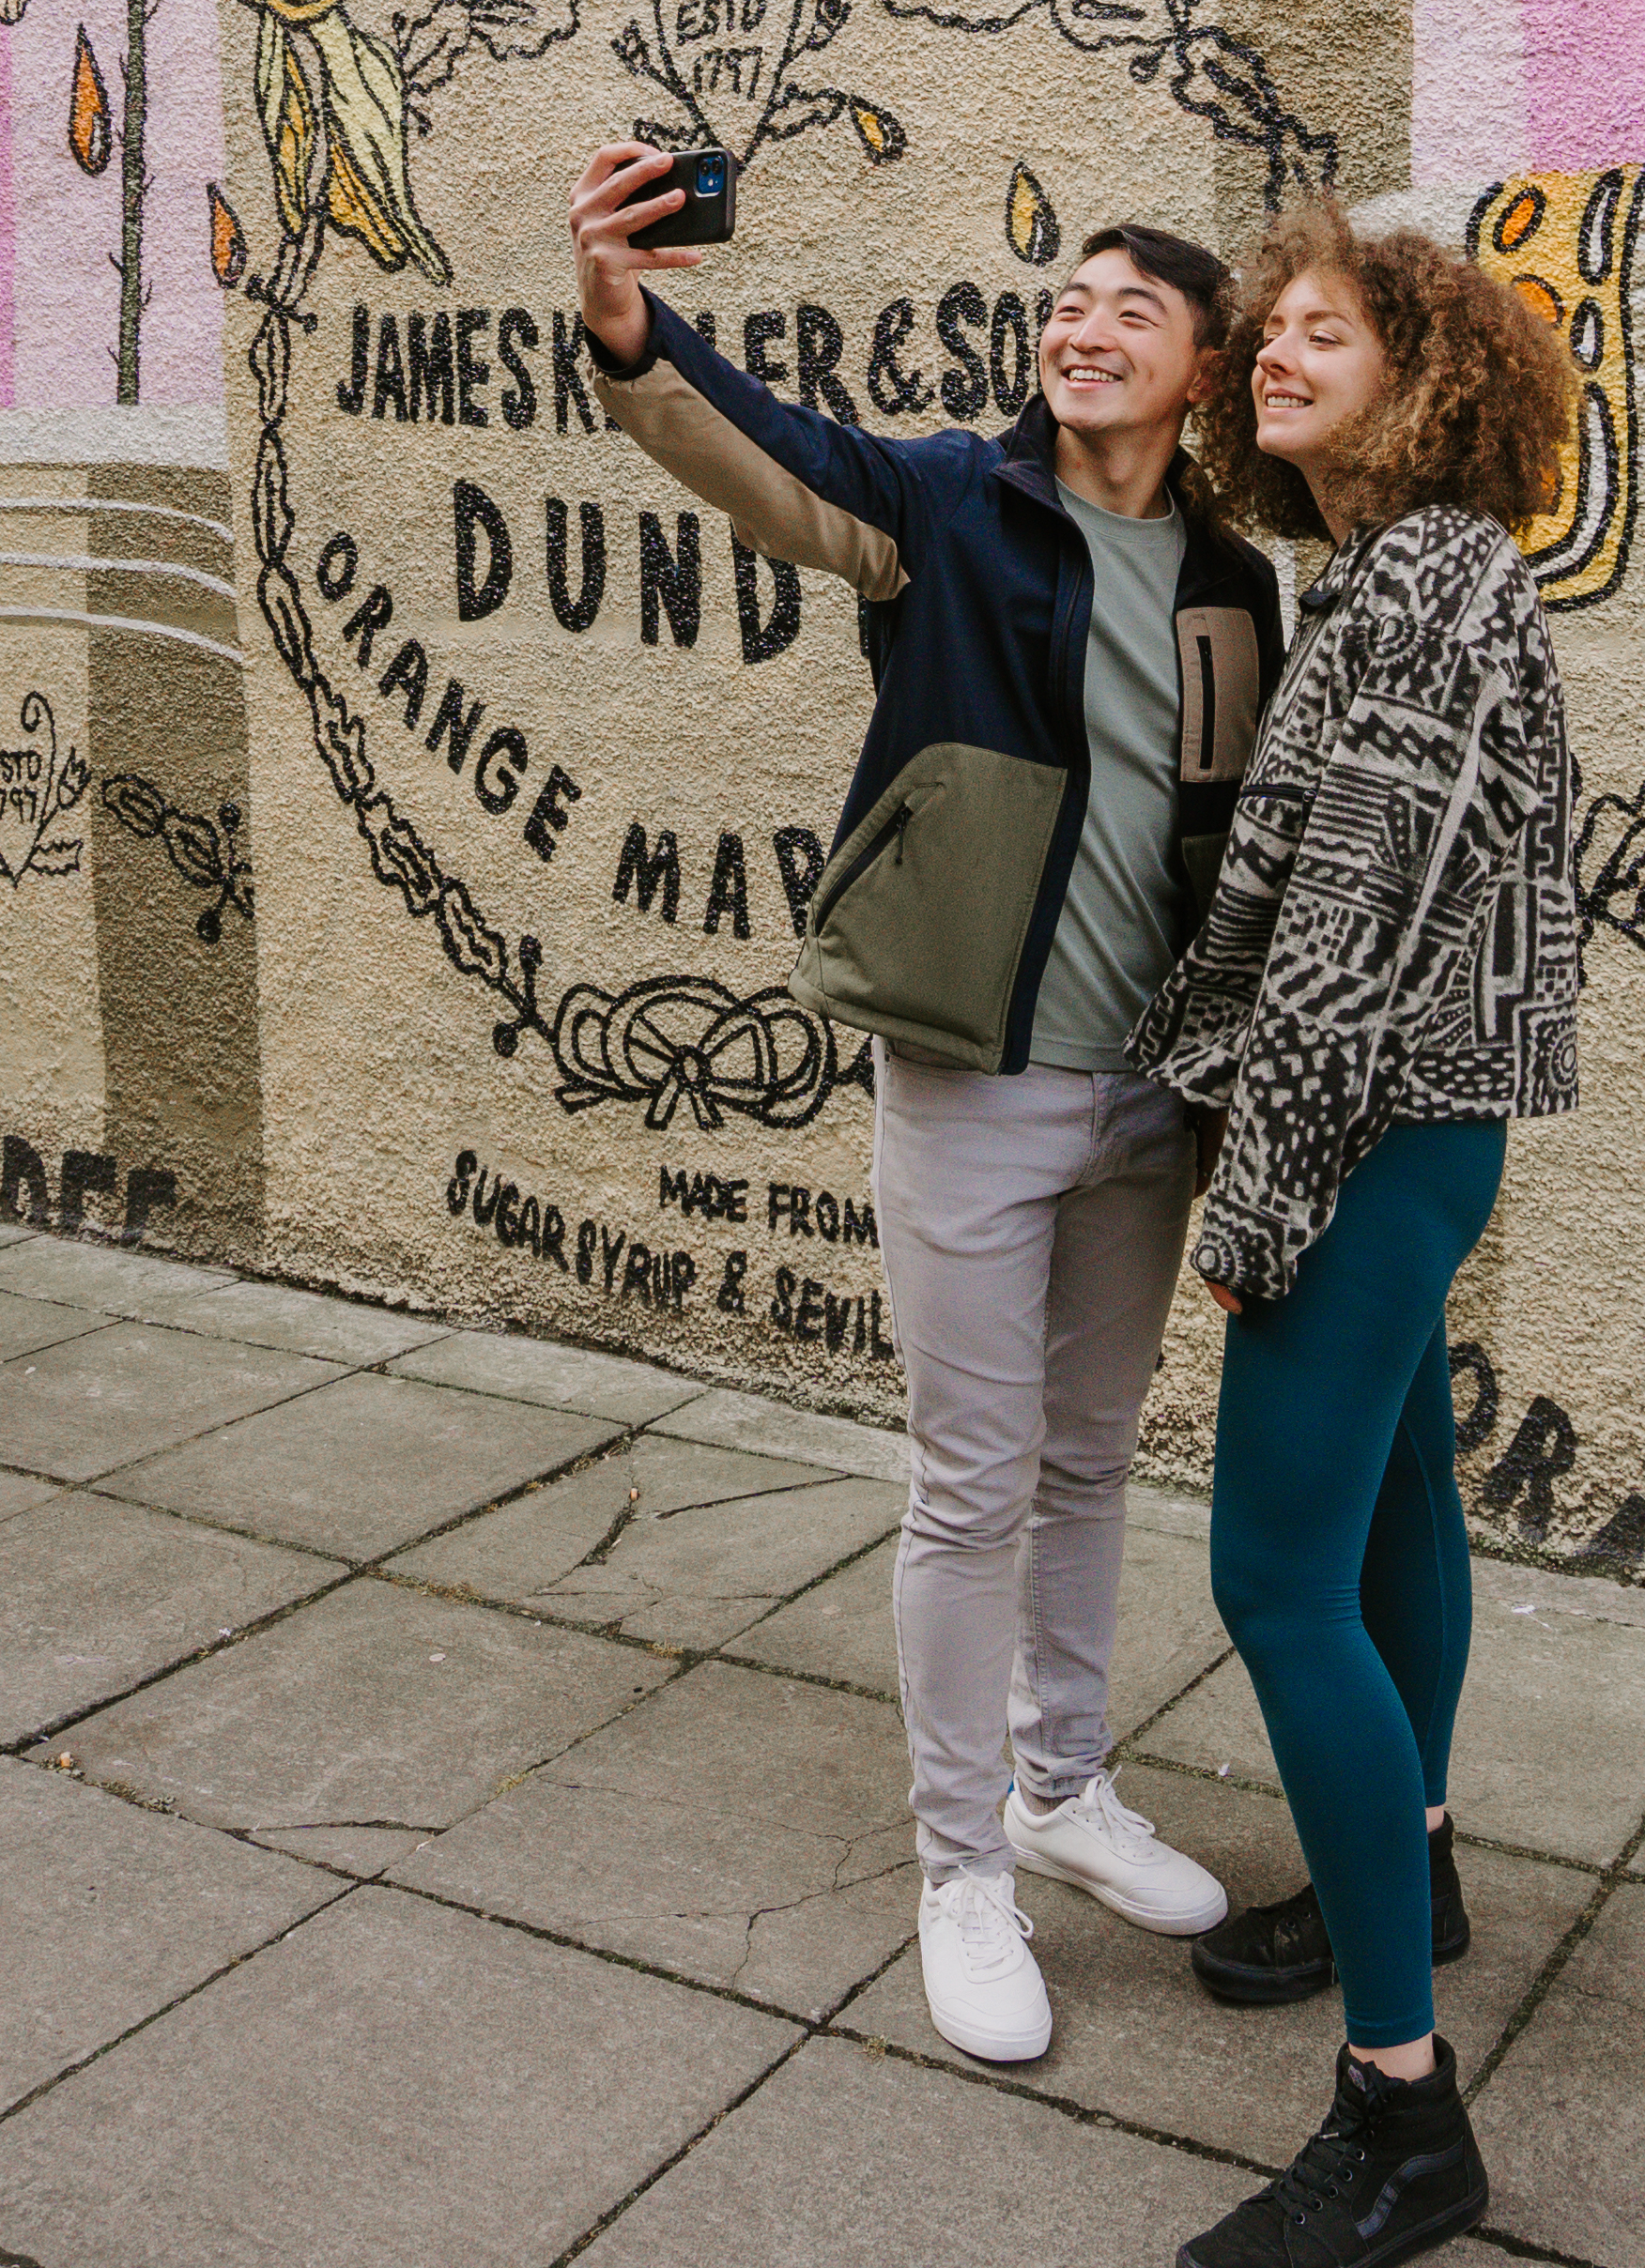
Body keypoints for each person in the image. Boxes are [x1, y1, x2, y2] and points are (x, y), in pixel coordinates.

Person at [567, 146, 1284, 2069]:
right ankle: (959, 1860)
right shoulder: (956, 509)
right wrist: (632, 321)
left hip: (1147, 1096)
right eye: (1066, 299)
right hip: (973, 1072)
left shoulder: (1234, 582)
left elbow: (1228, 844)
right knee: (972, 1478)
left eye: (1134, 304)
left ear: (1199, 367)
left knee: (1091, 1457)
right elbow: (767, 455)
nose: (1084, 321)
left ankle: (1066, 1784)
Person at [1135, 204, 1586, 2268]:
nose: (1273, 356)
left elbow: (1358, 922)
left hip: (1373, 1128)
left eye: (1326, 332)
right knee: (1405, 1512)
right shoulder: (1391, 575)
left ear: (1429, 378)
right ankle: (1409, 1856)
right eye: (1270, 337)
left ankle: (1404, 2116)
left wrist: (1266, 1186)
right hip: (1417, 1123)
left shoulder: (1421, 581)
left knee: (1275, 1576)